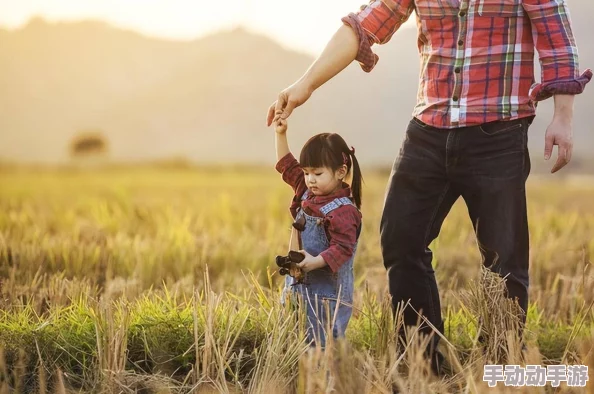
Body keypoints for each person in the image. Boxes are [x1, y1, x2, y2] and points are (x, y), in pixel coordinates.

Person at [265, 0, 591, 374]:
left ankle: (500, 368)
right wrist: (304, 84)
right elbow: (362, 27)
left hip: (499, 130)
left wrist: (563, 116)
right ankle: (423, 368)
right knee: (401, 239)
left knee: (504, 258)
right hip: (429, 128)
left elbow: (556, 38)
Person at [272, 112, 363, 348]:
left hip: (326, 296)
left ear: (340, 172)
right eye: (307, 172)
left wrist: (314, 262)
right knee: (292, 339)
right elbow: (287, 167)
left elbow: (342, 248)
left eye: (318, 173)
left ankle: (325, 382)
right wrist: (280, 133)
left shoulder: (343, 211)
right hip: (297, 286)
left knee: (321, 345)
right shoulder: (307, 191)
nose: (310, 179)